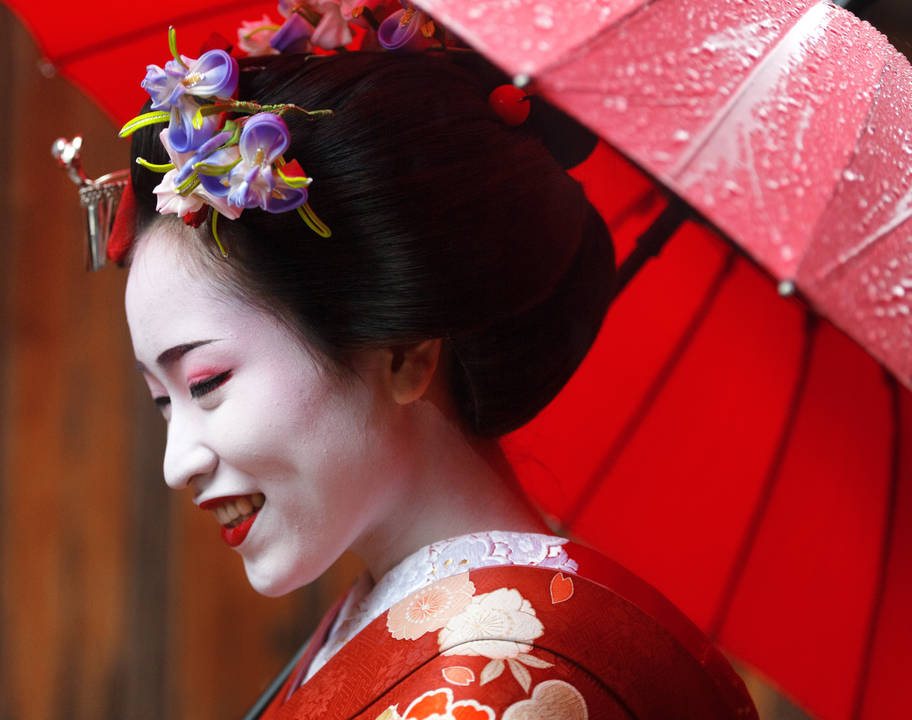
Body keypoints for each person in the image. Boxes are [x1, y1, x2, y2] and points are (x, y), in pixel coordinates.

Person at [117, 44, 757, 720]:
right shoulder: (386, 620)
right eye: (162, 402)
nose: (176, 464)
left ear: (402, 354)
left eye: (207, 382)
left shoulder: (497, 681)